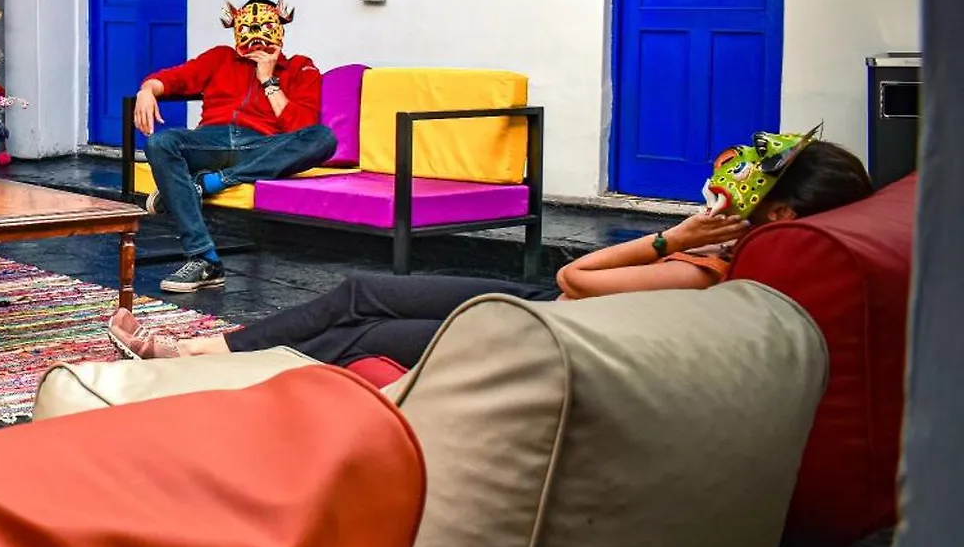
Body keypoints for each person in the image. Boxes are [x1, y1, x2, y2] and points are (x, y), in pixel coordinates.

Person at [110, 126, 873, 367]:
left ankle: (203, 368)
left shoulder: (703, 276)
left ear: (778, 215)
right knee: (358, 293)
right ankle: (203, 352)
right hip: (542, 308)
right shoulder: (720, 262)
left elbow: (576, 280)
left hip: (543, 332)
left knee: (363, 335)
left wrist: (672, 240)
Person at [134, 0, 341, 294]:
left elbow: (300, 129)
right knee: (160, 142)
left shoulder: (301, 67)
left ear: (280, 28)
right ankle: (205, 258)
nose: (256, 37)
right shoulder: (220, 58)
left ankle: (209, 183)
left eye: (265, 27)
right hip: (211, 141)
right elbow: (173, 78)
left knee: (323, 138)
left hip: (261, 146)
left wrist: (268, 80)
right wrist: (146, 90)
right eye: (247, 28)